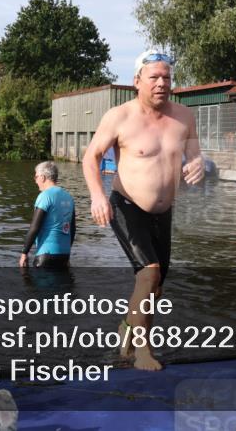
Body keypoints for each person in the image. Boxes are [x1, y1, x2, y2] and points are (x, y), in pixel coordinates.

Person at [82, 49, 204, 371]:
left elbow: (194, 155)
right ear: (137, 81)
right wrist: (97, 196)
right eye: (154, 77)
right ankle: (142, 351)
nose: (161, 83)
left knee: (157, 282)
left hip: (164, 212)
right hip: (127, 205)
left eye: (166, 77)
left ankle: (128, 327)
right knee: (148, 273)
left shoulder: (184, 117)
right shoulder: (119, 116)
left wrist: (198, 165)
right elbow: (90, 157)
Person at [19, 161, 76, 269]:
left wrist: (24, 253)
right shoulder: (69, 197)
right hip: (64, 255)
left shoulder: (45, 196)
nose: (35, 181)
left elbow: (34, 227)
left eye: (36, 177)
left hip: (46, 255)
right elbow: (72, 230)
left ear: (43, 177)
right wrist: (68, 254)